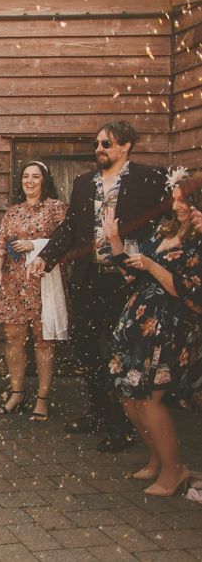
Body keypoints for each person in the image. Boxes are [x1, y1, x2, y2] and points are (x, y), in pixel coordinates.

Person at [28, 121, 168, 452]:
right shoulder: (83, 183)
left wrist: (147, 260)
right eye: (97, 144)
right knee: (87, 347)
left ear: (125, 147)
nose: (99, 149)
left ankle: (125, 425)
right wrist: (44, 259)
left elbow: (169, 220)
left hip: (127, 280)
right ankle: (100, 412)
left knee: (120, 352)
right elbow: (70, 227)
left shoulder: (149, 178)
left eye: (106, 144)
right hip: (89, 277)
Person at [102, 169, 202, 496]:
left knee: (150, 399)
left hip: (170, 325)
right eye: (175, 199)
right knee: (130, 397)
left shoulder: (198, 240)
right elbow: (136, 273)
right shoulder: (164, 230)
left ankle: (175, 471)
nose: (179, 206)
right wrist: (115, 242)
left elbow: (187, 291)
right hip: (138, 318)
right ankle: (157, 459)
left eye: (185, 200)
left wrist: (152, 266)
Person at [0, 161, 68, 420]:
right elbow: (1, 245)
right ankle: (17, 393)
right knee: (13, 338)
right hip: (14, 285)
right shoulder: (13, 212)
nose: (30, 181)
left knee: (43, 340)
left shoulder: (55, 208)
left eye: (36, 177)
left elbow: (66, 241)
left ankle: (43, 398)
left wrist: (33, 243)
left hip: (42, 282)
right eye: (25, 176)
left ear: (45, 180)